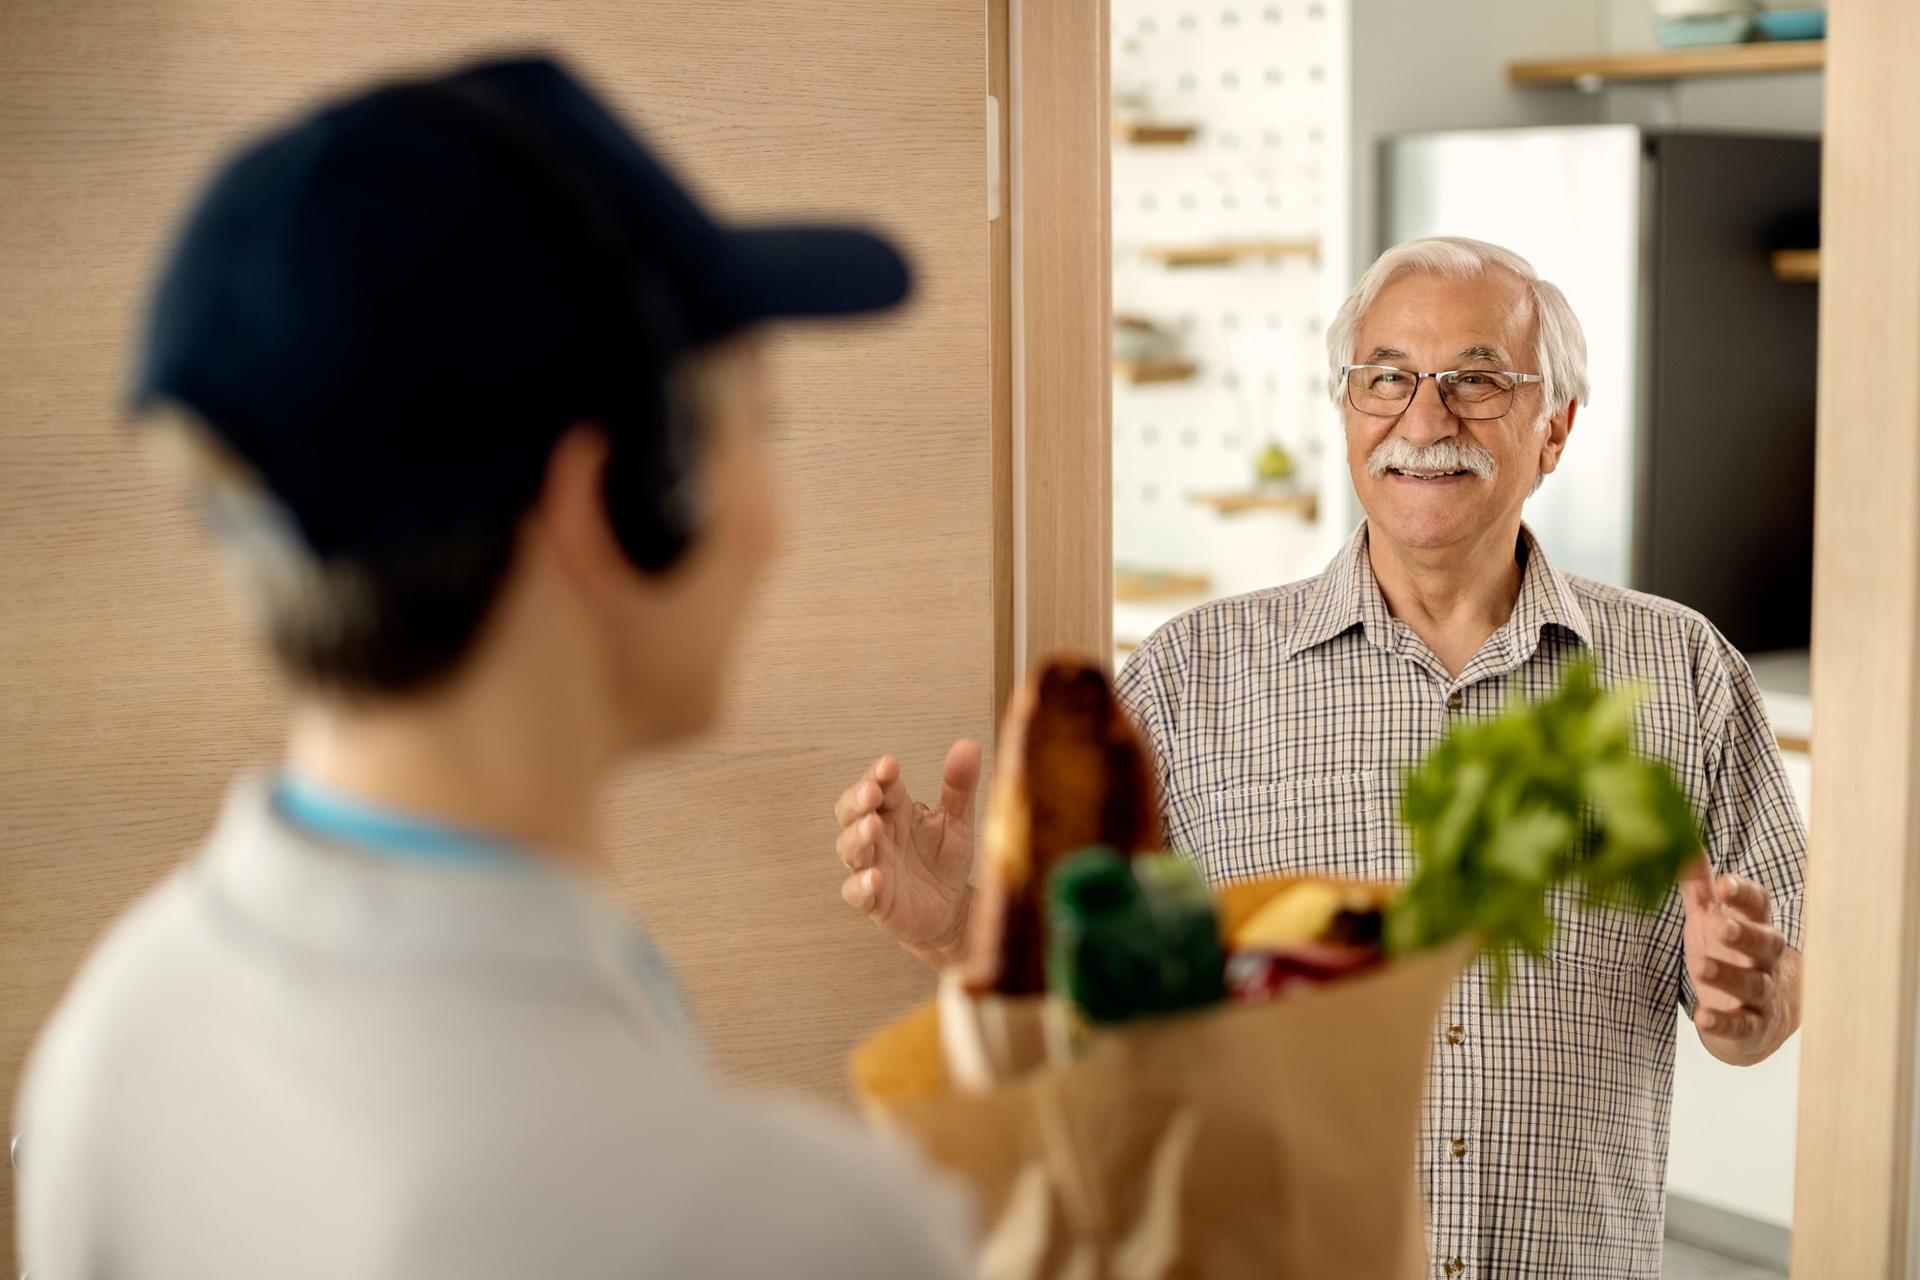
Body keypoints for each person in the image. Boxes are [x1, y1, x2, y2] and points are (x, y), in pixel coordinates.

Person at [14, 55, 971, 1278]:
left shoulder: (109, 1043)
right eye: (755, 432)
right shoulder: (783, 1227)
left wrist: (970, 951)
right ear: (607, 501)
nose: (776, 523)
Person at [834, 236, 1805, 1279]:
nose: (1425, 420)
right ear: (1348, 410)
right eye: (1386, 378)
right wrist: (955, 931)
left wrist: (1751, 998)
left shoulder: (1683, 671)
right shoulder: (1187, 678)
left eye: (1477, 381)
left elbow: (1770, 993)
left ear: (1555, 428)